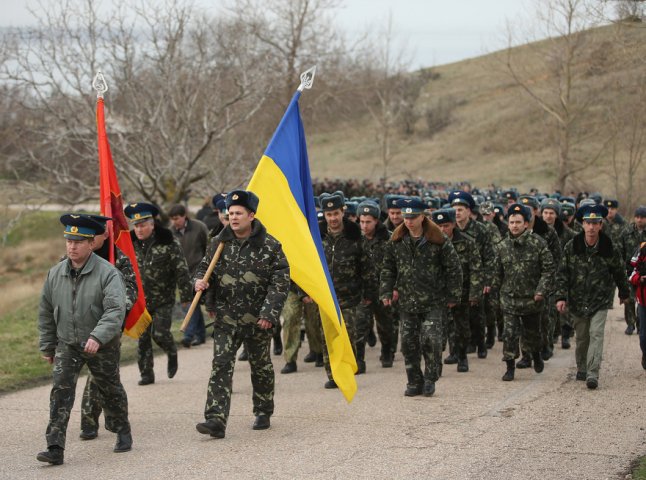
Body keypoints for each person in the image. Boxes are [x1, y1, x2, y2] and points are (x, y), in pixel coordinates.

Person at [37, 214, 131, 465]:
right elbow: (46, 311)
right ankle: (55, 446)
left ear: (92, 244)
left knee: (109, 389)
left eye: (79, 241)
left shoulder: (109, 273)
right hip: (67, 343)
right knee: (60, 392)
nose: (72, 246)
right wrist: (48, 345)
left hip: (101, 344)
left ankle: (122, 429)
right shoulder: (56, 273)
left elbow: (115, 310)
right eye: (69, 240)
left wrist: (98, 336)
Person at [194, 190, 289, 437]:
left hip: (258, 320)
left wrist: (269, 313)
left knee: (260, 366)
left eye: (238, 213)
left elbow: (280, 282)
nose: (233, 217)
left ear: (251, 215)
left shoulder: (270, 245)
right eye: (230, 213)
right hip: (226, 318)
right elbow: (205, 269)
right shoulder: (219, 242)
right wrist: (199, 283)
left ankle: (263, 410)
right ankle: (215, 419)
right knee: (221, 365)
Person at [380, 198, 462, 397]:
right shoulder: (397, 240)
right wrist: (386, 291)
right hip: (407, 302)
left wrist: (453, 295)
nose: (408, 221)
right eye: (406, 217)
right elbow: (388, 268)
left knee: (432, 341)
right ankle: (413, 381)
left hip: (433, 300)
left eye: (413, 217)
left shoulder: (438, 239)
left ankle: (430, 377)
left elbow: (454, 269)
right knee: (408, 343)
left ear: (423, 216)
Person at [556, 204, 630, 389]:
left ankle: (592, 373)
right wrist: (560, 297)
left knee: (596, 334)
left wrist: (624, 292)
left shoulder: (608, 247)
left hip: (600, 299)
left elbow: (619, 270)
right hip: (578, 299)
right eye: (588, 223)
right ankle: (582, 367)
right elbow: (562, 273)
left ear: (600, 225)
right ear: (582, 224)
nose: (591, 227)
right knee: (582, 337)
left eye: (595, 223)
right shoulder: (572, 246)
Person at [78, 214, 138, 441]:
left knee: (101, 374)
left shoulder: (119, 258)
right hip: (80, 324)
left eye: (98, 233)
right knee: (95, 375)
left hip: (108, 324)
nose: (93, 238)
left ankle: (96, 422)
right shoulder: (75, 256)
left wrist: (116, 311)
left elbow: (131, 288)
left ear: (106, 234)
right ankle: (90, 422)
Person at [125, 202, 193, 386]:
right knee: (143, 338)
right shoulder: (128, 244)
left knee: (160, 333)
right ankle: (146, 374)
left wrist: (186, 296)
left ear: (152, 224)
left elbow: (181, 270)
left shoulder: (168, 241)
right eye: (136, 225)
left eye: (142, 225)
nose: (138, 229)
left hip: (163, 298)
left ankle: (171, 351)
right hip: (139, 300)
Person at [494, 204, 555, 382]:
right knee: (510, 335)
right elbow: (497, 273)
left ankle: (536, 355)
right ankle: (510, 367)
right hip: (509, 299)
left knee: (532, 334)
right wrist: (495, 295)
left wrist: (541, 291)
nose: (514, 225)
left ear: (526, 224)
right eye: (511, 222)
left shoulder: (538, 243)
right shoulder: (502, 246)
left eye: (518, 222)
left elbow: (548, 270)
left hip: (532, 300)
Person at [317, 191, 366, 386]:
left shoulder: (355, 236)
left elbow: (366, 266)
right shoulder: (316, 236)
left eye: (336, 213)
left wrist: (368, 292)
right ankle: (332, 375)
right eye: (329, 214)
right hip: (326, 297)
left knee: (348, 334)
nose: (333, 218)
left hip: (350, 296)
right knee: (327, 337)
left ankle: (346, 372)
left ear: (342, 211)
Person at [433, 208, 482, 373]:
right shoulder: (430, 244)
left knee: (462, 328)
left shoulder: (467, 242)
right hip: (438, 293)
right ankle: (436, 362)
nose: (442, 230)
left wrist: (475, 293)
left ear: (453, 225)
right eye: (438, 226)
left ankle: (461, 355)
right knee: (437, 329)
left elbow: (476, 269)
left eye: (446, 225)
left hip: (462, 291)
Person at [449, 190, 495, 359]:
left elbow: (489, 257)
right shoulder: (449, 230)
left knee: (476, 314)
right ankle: (459, 347)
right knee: (455, 318)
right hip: (456, 281)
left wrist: (487, 280)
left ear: (468, 211)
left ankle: (480, 343)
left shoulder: (480, 230)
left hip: (476, 278)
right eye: (454, 209)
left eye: (461, 209)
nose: (457, 212)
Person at [355, 200, 396, 369]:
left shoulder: (390, 238)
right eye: (362, 222)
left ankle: (387, 351)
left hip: (383, 289)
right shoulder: (355, 239)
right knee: (360, 325)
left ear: (376, 221)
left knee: (385, 325)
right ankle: (359, 360)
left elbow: (397, 265)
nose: (364, 226)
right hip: (363, 291)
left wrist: (394, 287)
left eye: (368, 222)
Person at [168, 204, 210, 347]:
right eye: (172, 219)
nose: (175, 222)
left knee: (195, 303)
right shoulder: (170, 232)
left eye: (177, 218)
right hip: (182, 275)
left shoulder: (199, 227)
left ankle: (191, 335)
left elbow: (208, 247)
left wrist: (207, 269)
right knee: (192, 304)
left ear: (184, 216)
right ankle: (195, 335)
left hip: (199, 271)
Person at [620, 206, 646, 335]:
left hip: (644, 273)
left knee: (642, 299)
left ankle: (641, 323)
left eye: (642, 217)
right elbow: (620, 251)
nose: (639, 220)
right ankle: (630, 323)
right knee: (629, 299)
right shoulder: (626, 232)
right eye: (637, 217)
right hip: (630, 270)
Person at [629, 241, 646, 369]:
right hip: (644, 301)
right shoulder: (642, 249)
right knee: (643, 336)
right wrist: (639, 279)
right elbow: (632, 274)